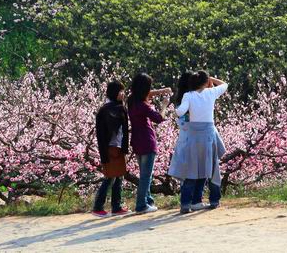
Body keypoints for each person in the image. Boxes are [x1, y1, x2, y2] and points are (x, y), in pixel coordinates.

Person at [170, 70, 227, 214]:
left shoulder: (188, 95)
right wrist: (211, 79)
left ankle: (185, 204)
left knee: (191, 169)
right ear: (206, 82)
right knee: (212, 167)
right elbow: (225, 84)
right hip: (208, 135)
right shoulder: (211, 93)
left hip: (193, 136)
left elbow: (180, 112)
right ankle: (214, 200)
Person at [128, 73, 171, 215]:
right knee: (146, 176)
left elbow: (144, 94)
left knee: (145, 174)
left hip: (136, 142)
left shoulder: (131, 100)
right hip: (147, 141)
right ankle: (141, 205)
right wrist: (164, 105)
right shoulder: (144, 106)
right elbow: (159, 118)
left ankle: (148, 201)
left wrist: (160, 91)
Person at [93, 81, 130, 217]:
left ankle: (116, 206)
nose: (123, 93)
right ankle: (98, 207)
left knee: (119, 177)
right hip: (110, 148)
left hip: (119, 147)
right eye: (120, 91)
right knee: (110, 177)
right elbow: (103, 132)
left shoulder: (119, 108)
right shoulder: (107, 110)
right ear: (114, 92)